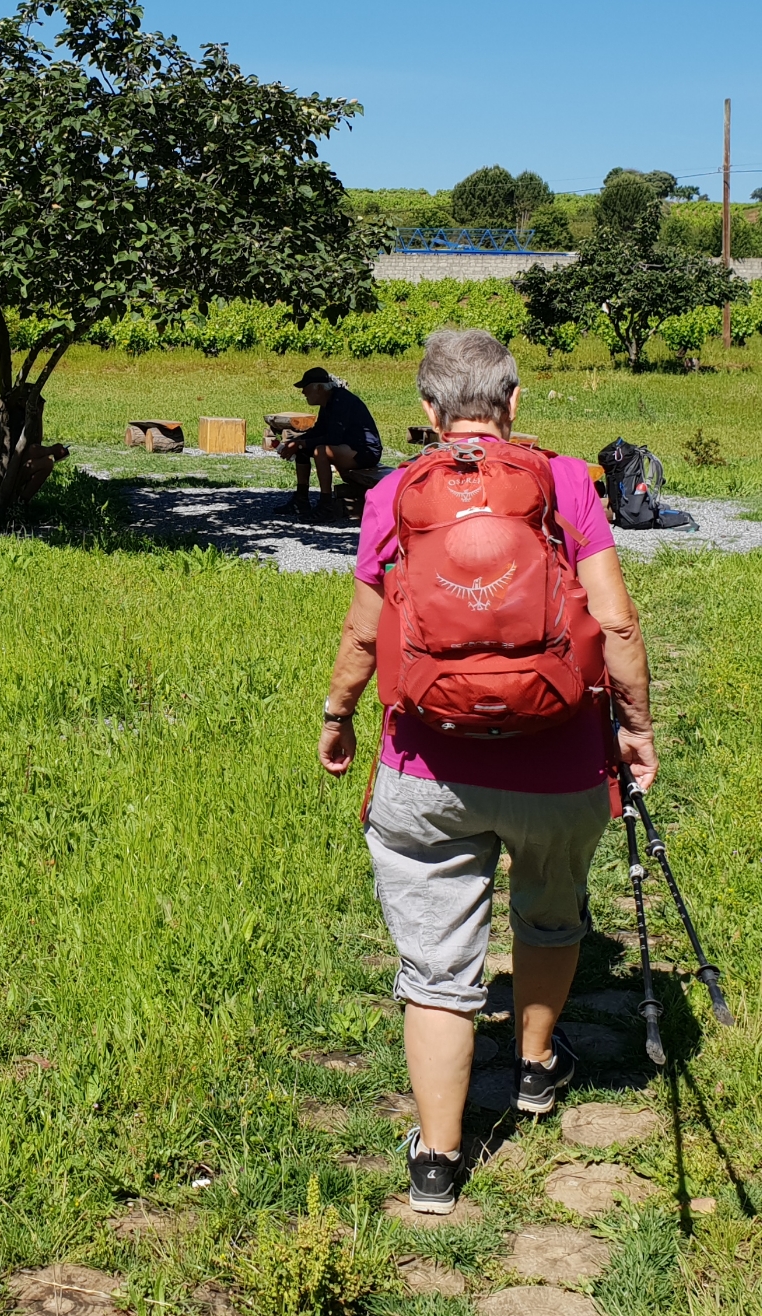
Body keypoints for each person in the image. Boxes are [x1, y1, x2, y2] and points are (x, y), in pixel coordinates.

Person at [316, 327, 657, 1215]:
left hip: (426, 764)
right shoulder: (570, 482)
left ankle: (436, 1160)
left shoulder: (393, 494)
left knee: (436, 968)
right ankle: (537, 1070)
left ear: (427, 413)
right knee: (550, 916)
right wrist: (636, 729)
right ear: (514, 402)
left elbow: (362, 632)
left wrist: (338, 715)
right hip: (562, 761)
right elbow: (615, 626)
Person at [276, 366, 382, 516]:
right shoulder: (329, 402)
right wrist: (297, 442)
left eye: (305, 388)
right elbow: (319, 430)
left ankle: (326, 506)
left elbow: (333, 438)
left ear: (319, 388)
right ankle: (301, 500)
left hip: (365, 452)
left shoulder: (341, 402)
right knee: (303, 449)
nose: (303, 392)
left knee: (321, 451)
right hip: (348, 448)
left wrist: (301, 443)